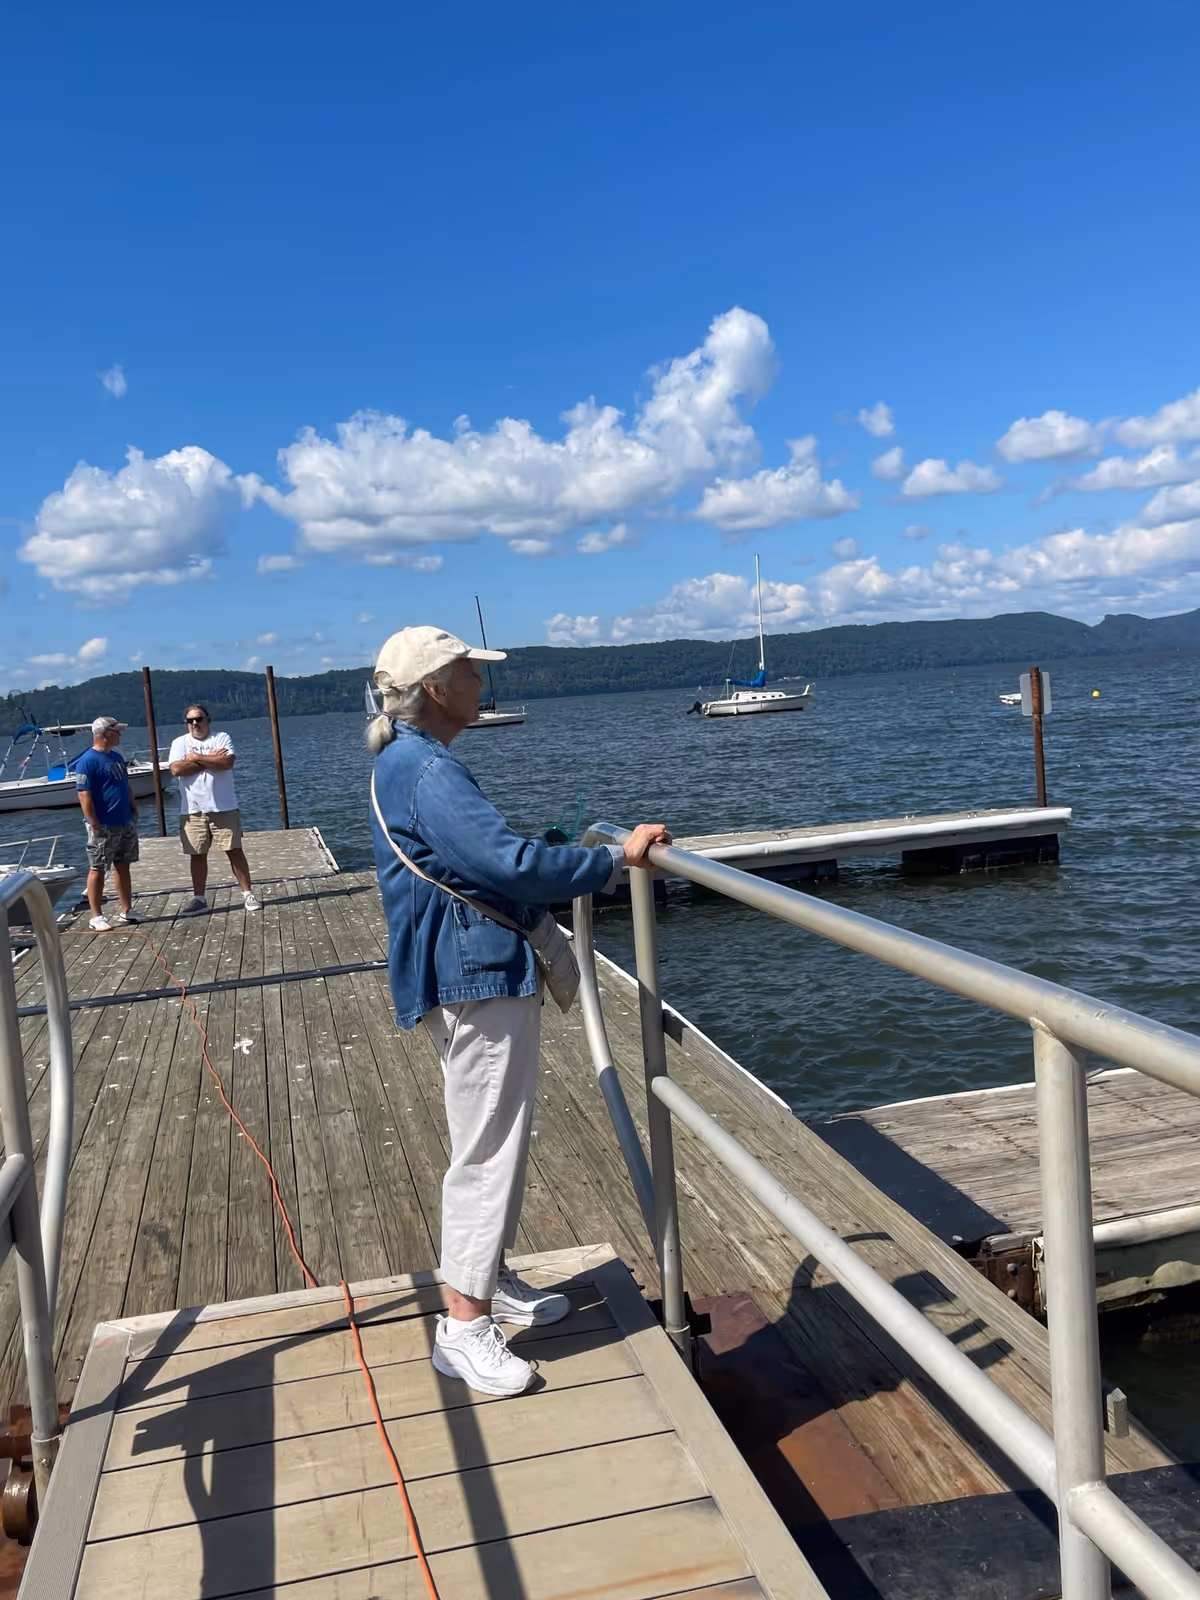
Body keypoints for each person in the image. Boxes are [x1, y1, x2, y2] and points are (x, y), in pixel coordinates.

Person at [368, 625, 670, 1399]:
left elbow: (479, 858)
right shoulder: (428, 769)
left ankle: (489, 1277)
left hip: (460, 970)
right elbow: (507, 863)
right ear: (435, 686)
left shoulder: (404, 761)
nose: (480, 680)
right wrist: (614, 859)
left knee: (490, 1134)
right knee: (488, 1145)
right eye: (469, 669)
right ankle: (464, 1327)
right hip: (475, 975)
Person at [168, 705, 260, 915]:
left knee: (234, 851)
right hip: (192, 810)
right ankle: (199, 899)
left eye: (198, 719)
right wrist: (211, 760)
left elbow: (227, 762)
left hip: (224, 806)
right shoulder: (179, 743)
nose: (194, 724)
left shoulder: (221, 738)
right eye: (190, 721)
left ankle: (248, 894)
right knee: (197, 854)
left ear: (208, 720)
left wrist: (195, 758)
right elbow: (176, 769)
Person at [75, 716, 144, 932]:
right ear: (104, 734)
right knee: (98, 868)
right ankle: (96, 916)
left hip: (124, 821)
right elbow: (84, 795)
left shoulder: (116, 756)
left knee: (124, 865)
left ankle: (127, 909)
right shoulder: (88, 761)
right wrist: (94, 822)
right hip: (103, 824)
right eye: (116, 731)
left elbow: (124, 784)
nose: (120, 734)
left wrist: (133, 806)